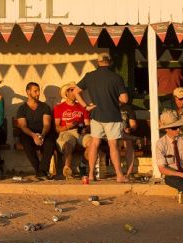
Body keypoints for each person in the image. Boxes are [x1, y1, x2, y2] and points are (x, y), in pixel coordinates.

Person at [74, 53, 130, 183]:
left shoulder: (90, 76)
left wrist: (85, 106)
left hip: (96, 115)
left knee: (94, 144)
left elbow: (76, 91)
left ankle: (92, 175)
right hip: (112, 115)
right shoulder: (116, 77)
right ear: (109, 62)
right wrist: (117, 102)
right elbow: (124, 99)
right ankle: (119, 176)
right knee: (113, 145)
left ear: (97, 62)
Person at [16, 82, 56, 180]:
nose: (38, 93)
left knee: (50, 142)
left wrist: (41, 135)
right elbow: (23, 126)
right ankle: (41, 171)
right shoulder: (22, 109)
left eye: (38, 91)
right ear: (28, 92)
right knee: (25, 141)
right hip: (29, 134)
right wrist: (33, 135)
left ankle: (41, 172)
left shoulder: (45, 107)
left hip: (43, 132)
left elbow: (46, 124)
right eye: (35, 91)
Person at [54, 82, 91, 179]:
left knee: (92, 143)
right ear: (66, 93)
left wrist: (84, 129)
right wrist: (68, 126)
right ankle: (67, 169)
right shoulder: (59, 107)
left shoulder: (83, 107)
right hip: (66, 131)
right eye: (71, 90)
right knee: (68, 144)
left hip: (80, 131)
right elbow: (57, 128)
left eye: (75, 90)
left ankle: (82, 165)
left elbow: (88, 125)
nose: (74, 92)